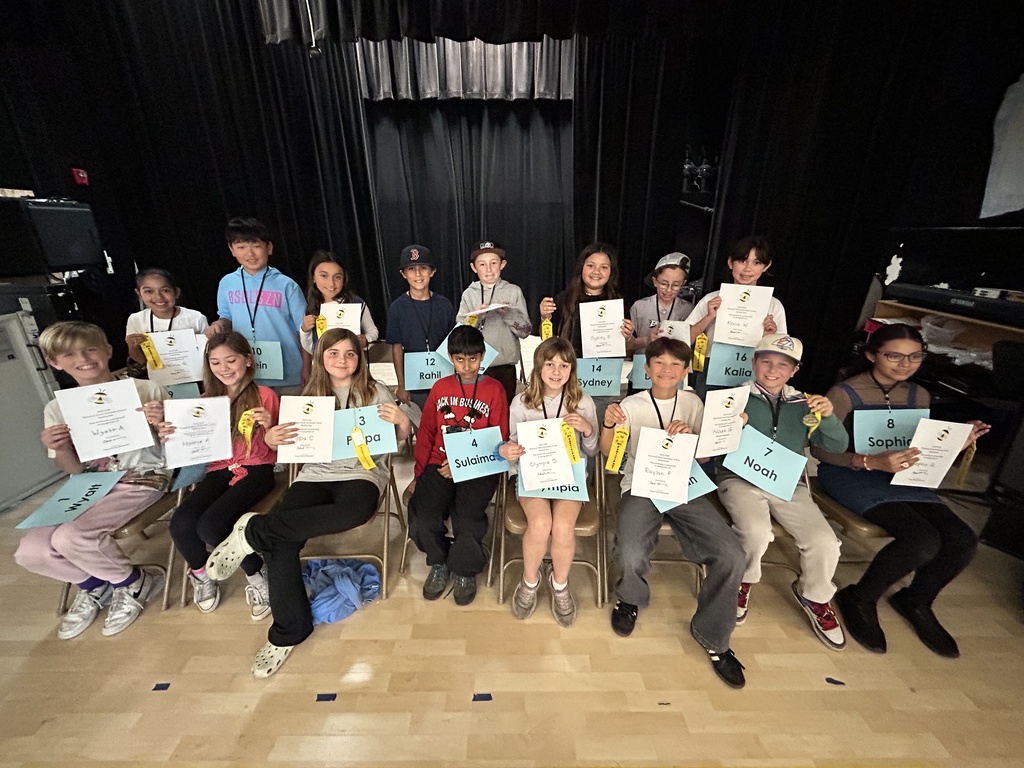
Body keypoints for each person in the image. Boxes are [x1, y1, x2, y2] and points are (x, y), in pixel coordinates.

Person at [204, 328, 412, 677]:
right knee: (281, 542)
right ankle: (289, 632)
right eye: (333, 353)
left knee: (356, 510)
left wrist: (403, 423)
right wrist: (272, 435)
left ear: (359, 359)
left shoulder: (376, 391)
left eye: (349, 353)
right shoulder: (308, 396)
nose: (342, 360)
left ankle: (253, 530)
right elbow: (287, 445)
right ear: (321, 358)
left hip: (361, 473)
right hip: (315, 474)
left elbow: (396, 443)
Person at [813, 323, 987, 657]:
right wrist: (870, 462)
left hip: (903, 474)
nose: (904, 364)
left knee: (963, 539)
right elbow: (820, 450)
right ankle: (860, 597)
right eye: (894, 355)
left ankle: (917, 599)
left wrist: (953, 441)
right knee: (922, 539)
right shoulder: (844, 392)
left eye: (914, 356)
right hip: (852, 472)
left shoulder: (918, 395)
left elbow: (917, 447)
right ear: (871, 354)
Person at [602, 336, 748, 688]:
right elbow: (611, 457)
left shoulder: (694, 403)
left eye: (675, 364)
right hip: (641, 485)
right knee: (631, 550)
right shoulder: (632, 405)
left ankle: (714, 637)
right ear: (647, 368)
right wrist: (609, 424)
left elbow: (705, 457)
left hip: (685, 487)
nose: (667, 370)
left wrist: (703, 434)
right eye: (659, 363)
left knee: (731, 553)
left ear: (685, 370)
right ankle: (629, 598)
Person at [15, 321, 168, 639]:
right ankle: (96, 584)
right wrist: (58, 447)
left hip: (142, 476)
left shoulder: (145, 390)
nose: (82, 358)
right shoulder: (57, 409)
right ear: (54, 363)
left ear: (108, 351)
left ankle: (132, 583)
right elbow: (73, 471)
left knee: (70, 538)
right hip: (89, 484)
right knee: (31, 551)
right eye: (68, 354)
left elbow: (176, 449)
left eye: (90, 349)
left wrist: (161, 423)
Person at [715, 333, 849, 650]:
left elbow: (836, 446)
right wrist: (732, 425)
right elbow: (711, 446)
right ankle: (742, 583)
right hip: (739, 479)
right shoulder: (734, 397)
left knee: (825, 540)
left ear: (794, 370)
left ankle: (815, 595)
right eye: (766, 362)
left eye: (782, 365)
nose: (773, 370)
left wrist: (827, 418)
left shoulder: (805, 402)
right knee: (756, 531)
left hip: (785, 482)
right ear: (754, 362)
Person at [161, 332, 277, 618]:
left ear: (247, 361)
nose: (224, 368)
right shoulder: (204, 402)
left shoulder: (264, 396)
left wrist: (271, 425)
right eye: (215, 362)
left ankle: (256, 573)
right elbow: (193, 452)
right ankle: (201, 574)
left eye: (231, 360)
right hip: (216, 473)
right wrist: (172, 437)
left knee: (211, 526)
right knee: (181, 523)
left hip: (256, 470)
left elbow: (277, 447)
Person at [498, 337, 599, 626]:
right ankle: (530, 582)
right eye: (550, 364)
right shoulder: (521, 402)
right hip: (534, 475)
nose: (556, 371)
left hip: (569, 475)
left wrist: (588, 429)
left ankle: (559, 584)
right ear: (538, 367)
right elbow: (511, 447)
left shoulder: (583, 402)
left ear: (572, 369)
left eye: (563, 365)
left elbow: (592, 450)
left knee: (564, 526)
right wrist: (508, 451)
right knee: (541, 523)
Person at [407, 325, 509, 607]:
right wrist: (418, 475)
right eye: (460, 359)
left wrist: (463, 463)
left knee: (467, 517)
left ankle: (464, 569)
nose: (467, 366)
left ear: (483, 356)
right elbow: (427, 431)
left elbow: (499, 438)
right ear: (450, 358)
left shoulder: (494, 390)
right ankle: (439, 560)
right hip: (439, 463)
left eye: (473, 358)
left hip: (479, 465)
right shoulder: (440, 388)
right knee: (423, 513)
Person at [206, 217, 306, 393]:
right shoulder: (227, 283)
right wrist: (219, 324)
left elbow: (304, 331)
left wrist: (307, 367)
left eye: (256, 246)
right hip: (247, 374)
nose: (250, 254)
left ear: (269, 247)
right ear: (232, 250)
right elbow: (226, 318)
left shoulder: (287, 285)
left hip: (289, 373)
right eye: (241, 247)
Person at [456, 241, 532, 404]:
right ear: (474, 268)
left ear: (502, 264)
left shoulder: (513, 292)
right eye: (482, 264)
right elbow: (460, 332)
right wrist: (477, 316)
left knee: (504, 409)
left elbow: (525, 332)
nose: (488, 269)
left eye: (494, 263)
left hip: (505, 366)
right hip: (476, 366)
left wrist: (509, 314)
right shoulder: (469, 294)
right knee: (477, 410)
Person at [385, 244, 457, 409]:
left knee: (447, 423)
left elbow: (453, 343)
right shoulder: (397, 308)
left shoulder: (444, 304)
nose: (418, 274)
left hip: (443, 377)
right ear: (403, 274)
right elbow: (396, 348)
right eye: (411, 269)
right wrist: (401, 385)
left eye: (423, 268)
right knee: (422, 427)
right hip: (415, 381)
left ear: (432, 271)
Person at [539, 243, 635, 357]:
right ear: (581, 267)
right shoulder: (563, 300)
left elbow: (630, 348)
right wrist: (545, 318)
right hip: (571, 367)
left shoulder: (618, 302)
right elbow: (547, 340)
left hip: (607, 369)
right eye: (590, 266)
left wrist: (628, 337)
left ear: (611, 271)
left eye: (604, 267)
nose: (596, 271)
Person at [299, 250, 379, 381]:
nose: (331, 283)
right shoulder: (312, 307)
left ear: (344, 278)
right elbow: (310, 347)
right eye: (324, 276)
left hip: (353, 371)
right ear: (313, 277)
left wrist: (366, 340)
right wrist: (304, 330)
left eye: (337, 277)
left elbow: (373, 331)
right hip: (323, 373)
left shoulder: (356, 303)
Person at [125, 267, 209, 379]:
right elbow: (141, 360)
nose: (158, 297)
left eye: (165, 290)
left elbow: (207, 353)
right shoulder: (136, 320)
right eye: (149, 291)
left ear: (176, 292)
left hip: (193, 377)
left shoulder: (195, 318)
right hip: (156, 378)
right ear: (139, 293)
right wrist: (133, 346)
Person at [628, 252, 695, 352]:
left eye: (675, 285)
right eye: (664, 284)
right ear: (655, 281)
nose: (668, 290)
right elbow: (627, 345)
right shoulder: (640, 307)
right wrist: (646, 340)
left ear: (683, 284)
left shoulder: (689, 310)